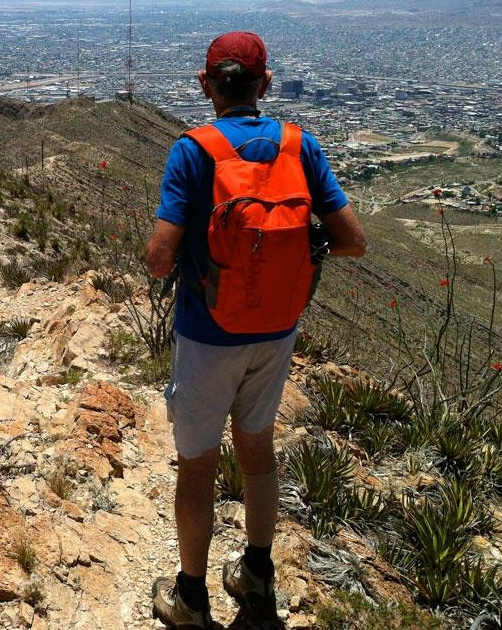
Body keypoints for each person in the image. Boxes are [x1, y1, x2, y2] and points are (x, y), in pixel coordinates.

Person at [146, 31, 366, 628]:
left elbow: (159, 258)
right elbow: (353, 241)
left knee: (197, 466)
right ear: (265, 84)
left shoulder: (194, 151)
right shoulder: (300, 146)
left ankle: (191, 600)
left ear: (206, 85)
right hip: (276, 332)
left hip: (206, 335)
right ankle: (257, 576)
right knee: (258, 453)